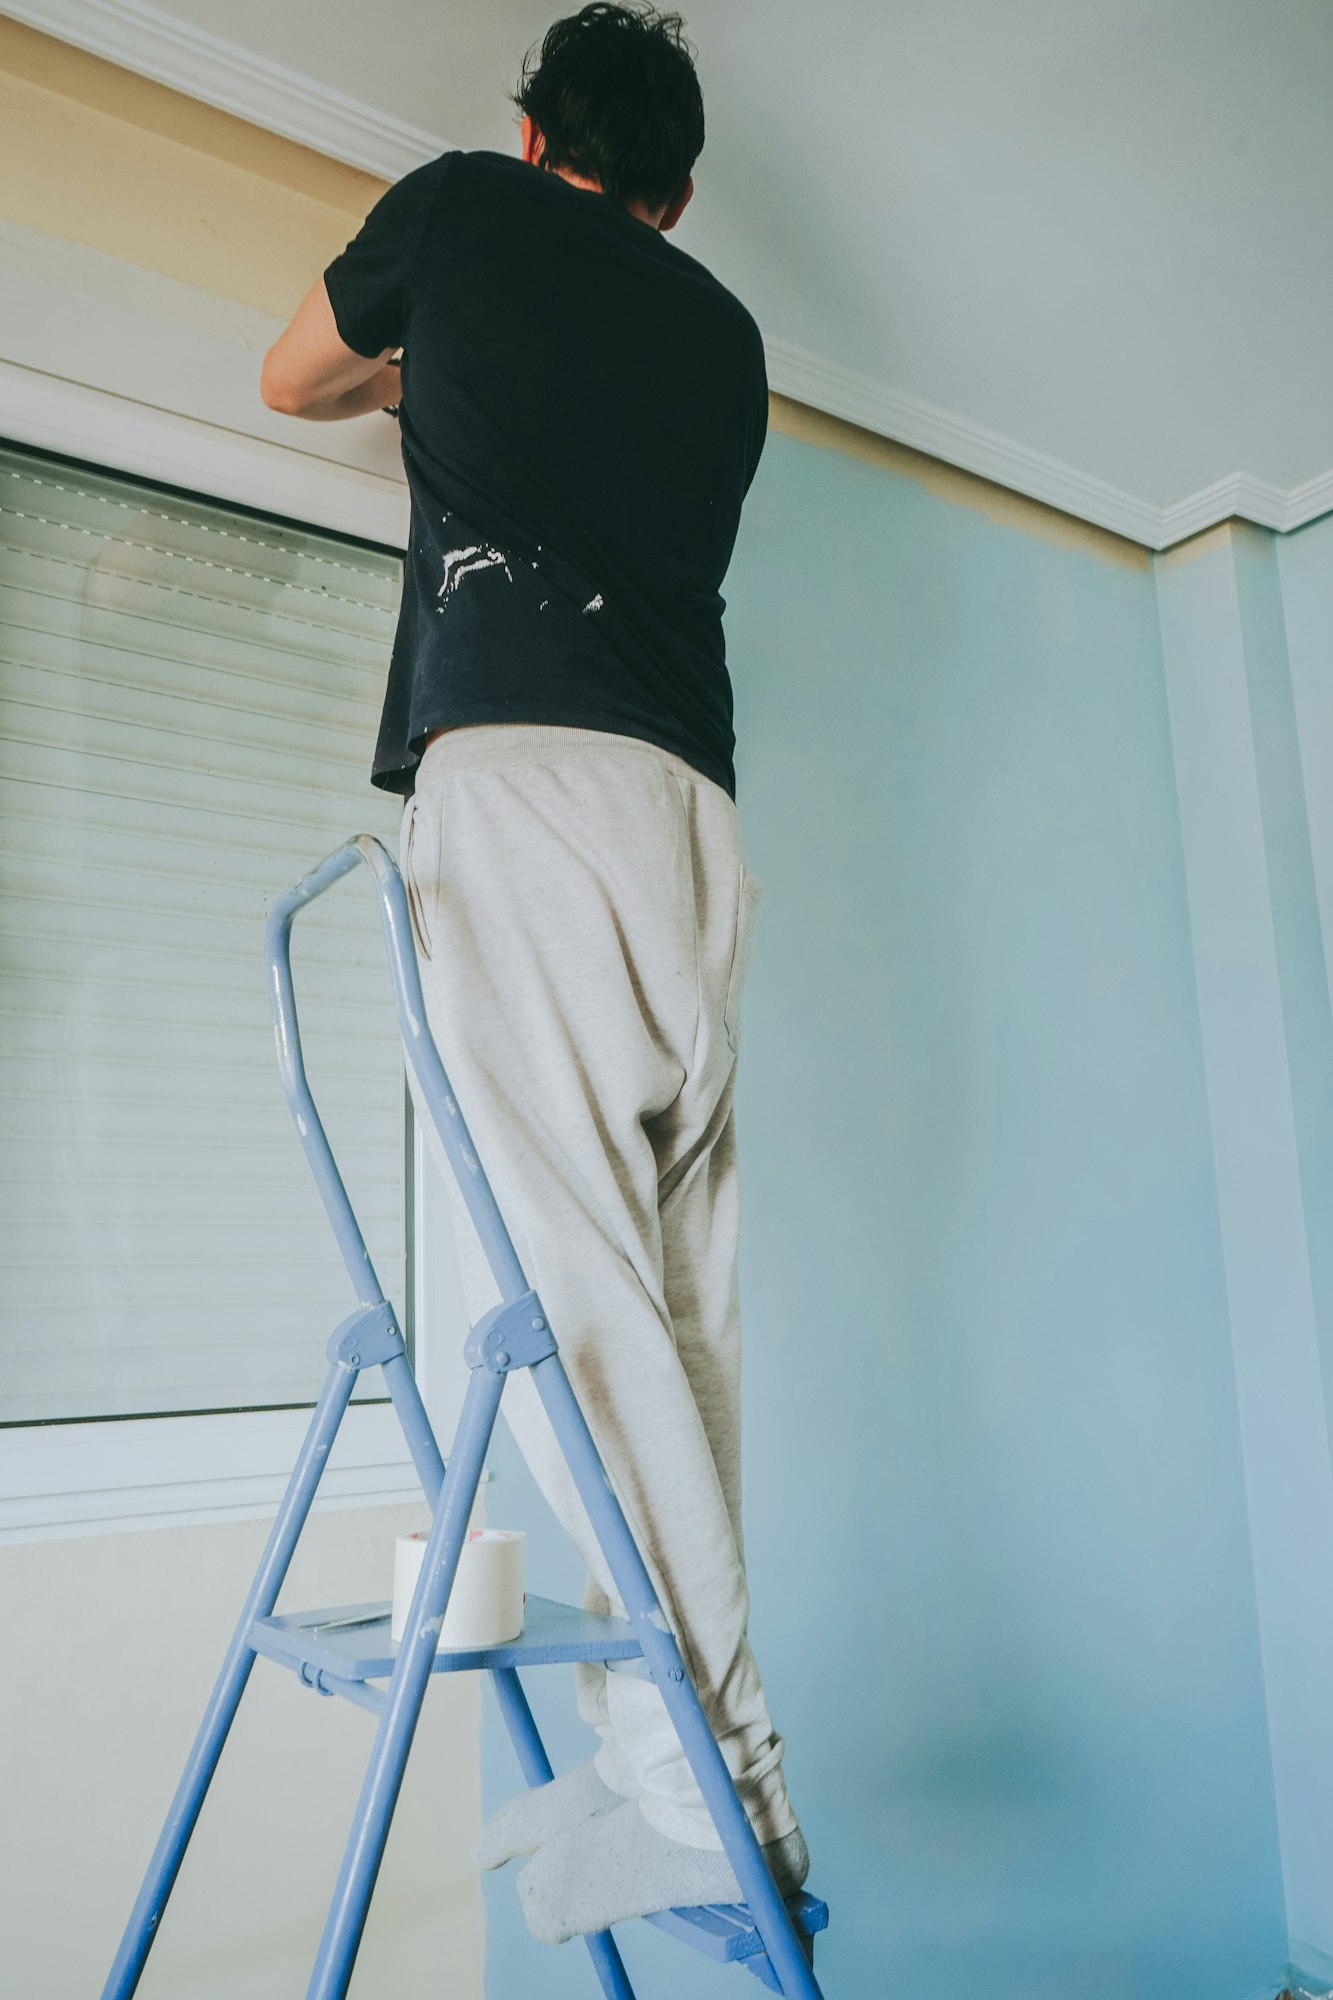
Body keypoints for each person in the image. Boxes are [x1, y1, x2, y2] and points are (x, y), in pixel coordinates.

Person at [260, 0, 806, 1943]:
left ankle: (722, 1784)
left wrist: (423, 365)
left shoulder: (463, 215)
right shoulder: (724, 338)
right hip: (696, 831)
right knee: (671, 1314)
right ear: (666, 192)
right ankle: (655, 1772)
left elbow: (284, 376)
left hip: (535, 791)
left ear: (524, 130)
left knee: (569, 1305)